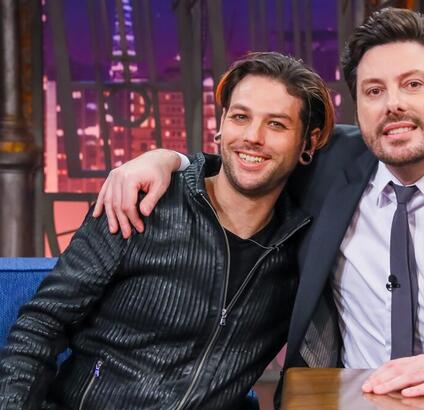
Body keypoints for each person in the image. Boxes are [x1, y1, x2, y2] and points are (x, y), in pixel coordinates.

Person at [93, 8, 424, 399]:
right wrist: (163, 159)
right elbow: (248, 155)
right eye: (373, 90)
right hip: (329, 402)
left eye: (413, 84)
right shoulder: (327, 162)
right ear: (357, 106)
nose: (394, 104)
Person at [0, 52, 335, 409]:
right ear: (221, 125)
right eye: (241, 117)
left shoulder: (303, 250)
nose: (253, 136)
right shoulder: (143, 202)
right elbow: (40, 326)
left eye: (276, 125)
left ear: (308, 144)